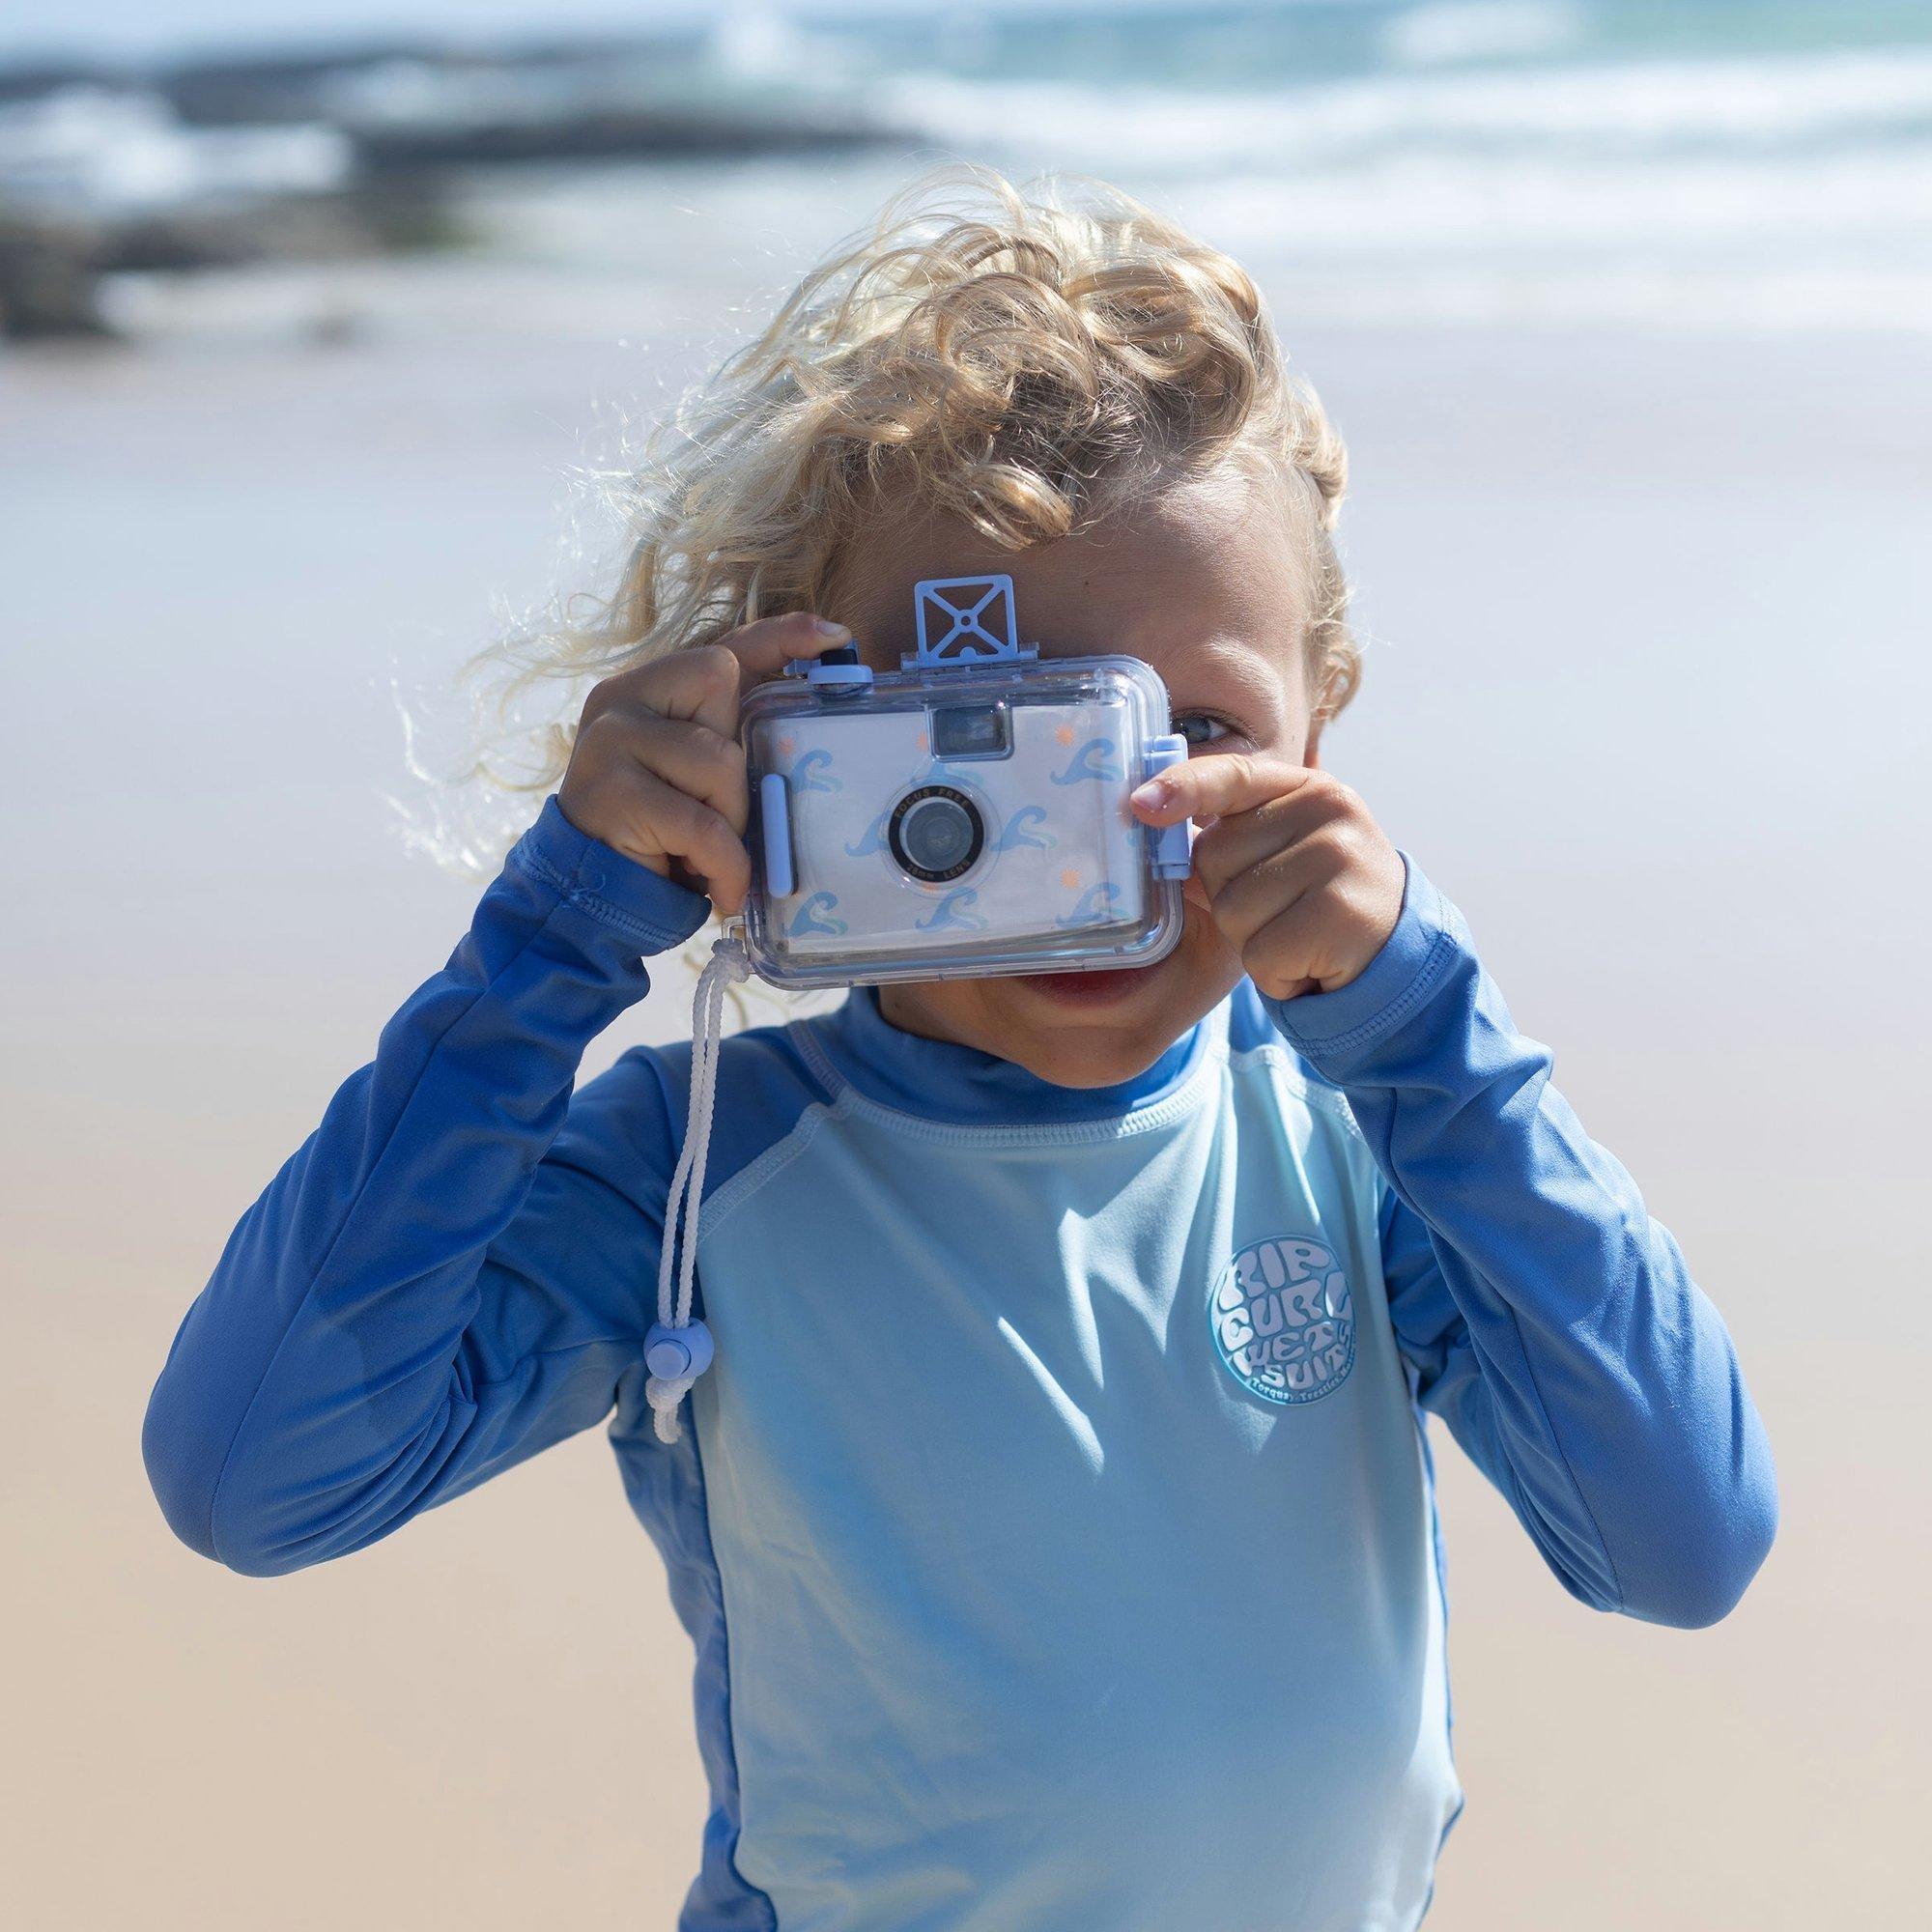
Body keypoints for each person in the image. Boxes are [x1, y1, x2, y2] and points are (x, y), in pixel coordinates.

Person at [142, 171, 1776, 1931]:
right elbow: (255, 1481)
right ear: (785, 741)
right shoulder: (695, 1171)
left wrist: (1428, 1026)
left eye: (1192, 735)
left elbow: (1680, 1543)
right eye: (977, 759)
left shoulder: (1372, 1134)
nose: (1098, 853)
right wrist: (553, 937)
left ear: (1328, 713)